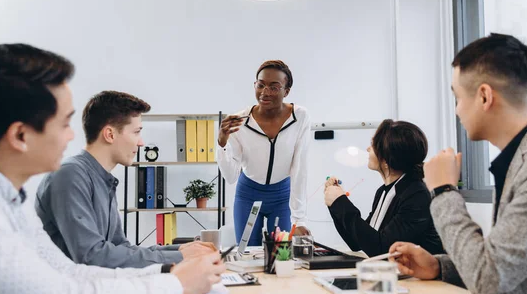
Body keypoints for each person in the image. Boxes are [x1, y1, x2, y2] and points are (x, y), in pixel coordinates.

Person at [0, 43, 225, 294]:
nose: (71, 137)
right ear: (20, 135)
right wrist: (174, 284)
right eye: (64, 124)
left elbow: (70, 272)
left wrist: (167, 271)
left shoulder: (7, 200)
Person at [389, 33, 527, 294]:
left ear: (484, 96)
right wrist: (438, 266)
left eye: (458, 97)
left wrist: (445, 190)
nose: (457, 109)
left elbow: (488, 276)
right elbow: (506, 260)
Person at [35, 90, 216, 268]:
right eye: (136, 132)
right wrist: (179, 256)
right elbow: (91, 256)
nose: (141, 143)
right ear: (110, 134)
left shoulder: (102, 178)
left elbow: (120, 249)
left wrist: (182, 249)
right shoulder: (70, 175)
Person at [217, 60, 311, 245]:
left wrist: (299, 219)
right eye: (260, 85)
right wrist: (222, 142)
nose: (265, 92)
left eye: (274, 87)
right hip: (249, 197)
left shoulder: (299, 117)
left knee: (282, 253)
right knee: (247, 252)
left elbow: (300, 168)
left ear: (287, 91)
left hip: (282, 196)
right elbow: (230, 176)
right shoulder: (240, 121)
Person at [324, 119, 445, 257]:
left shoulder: (416, 194)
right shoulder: (384, 192)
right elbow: (357, 242)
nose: (368, 149)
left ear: (387, 159)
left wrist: (340, 202)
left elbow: (383, 250)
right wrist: (334, 203)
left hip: (420, 278)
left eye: (373, 145)